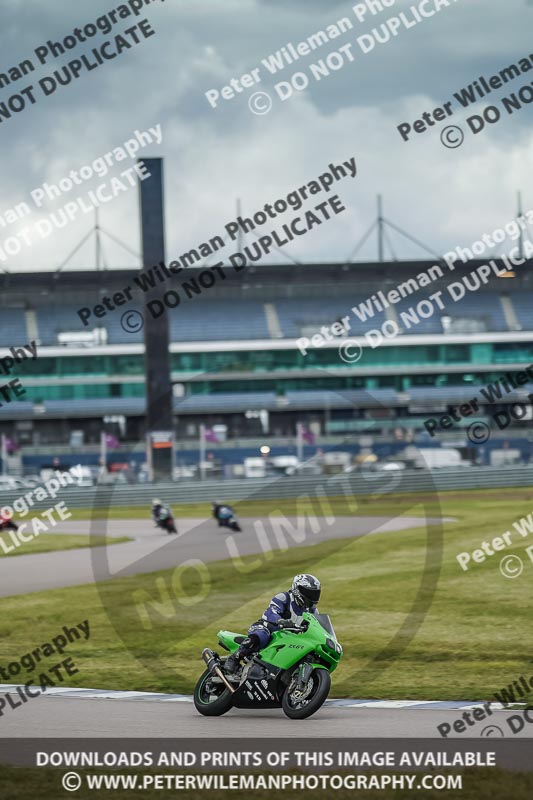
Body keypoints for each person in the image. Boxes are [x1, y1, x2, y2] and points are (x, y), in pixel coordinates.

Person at [224, 574, 321, 676]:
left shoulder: (312, 611)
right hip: (268, 628)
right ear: (297, 589)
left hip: (289, 638)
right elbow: (271, 613)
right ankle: (234, 658)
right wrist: (281, 621)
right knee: (262, 635)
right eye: (309, 593)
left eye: (315, 594)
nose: (312, 597)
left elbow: (317, 627)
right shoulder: (284, 598)